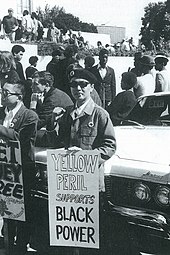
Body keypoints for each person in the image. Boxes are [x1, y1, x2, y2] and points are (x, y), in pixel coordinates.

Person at [41, 68, 116, 254]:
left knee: (88, 234)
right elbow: (54, 143)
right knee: (68, 232)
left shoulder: (100, 115)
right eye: (74, 84)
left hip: (90, 183)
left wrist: (86, 158)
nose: (78, 88)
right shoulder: (67, 113)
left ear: (91, 88)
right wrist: (52, 122)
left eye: (83, 84)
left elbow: (110, 146)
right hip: (67, 183)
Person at [0, 78, 38, 255]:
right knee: (5, 209)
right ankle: (6, 241)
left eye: (6, 93)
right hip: (3, 168)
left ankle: (21, 246)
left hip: (22, 170)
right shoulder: (2, 113)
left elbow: (19, 138)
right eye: (1, 91)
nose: (2, 95)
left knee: (22, 210)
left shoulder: (29, 115)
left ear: (19, 96)